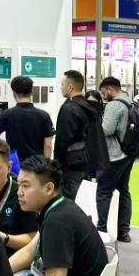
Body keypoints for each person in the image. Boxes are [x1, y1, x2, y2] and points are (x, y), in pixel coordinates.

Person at [0, 156, 108, 276]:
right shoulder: (60, 207)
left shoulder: (57, 222)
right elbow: (29, 251)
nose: (19, 192)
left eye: (26, 186)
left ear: (48, 188)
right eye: (19, 184)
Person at [53, 70, 107, 200]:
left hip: (71, 165)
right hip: (87, 162)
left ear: (70, 87)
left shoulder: (70, 108)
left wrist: (56, 164)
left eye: (62, 84)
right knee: (83, 200)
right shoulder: (88, 106)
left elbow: (63, 139)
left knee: (70, 201)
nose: (61, 88)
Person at [97, 77, 135, 242]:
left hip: (114, 155)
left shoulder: (114, 105)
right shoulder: (131, 102)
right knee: (123, 190)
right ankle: (123, 230)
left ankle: (102, 230)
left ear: (110, 89)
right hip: (128, 153)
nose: (103, 96)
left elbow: (106, 129)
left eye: (103, 92)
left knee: (104, 191)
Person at [0, 75, 54, 160]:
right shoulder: (44, 116)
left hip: (15, 163)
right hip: (36, 164)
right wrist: (46, 164)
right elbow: (48, 145)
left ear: (14, 93)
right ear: (32, 92)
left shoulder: (6, 114)